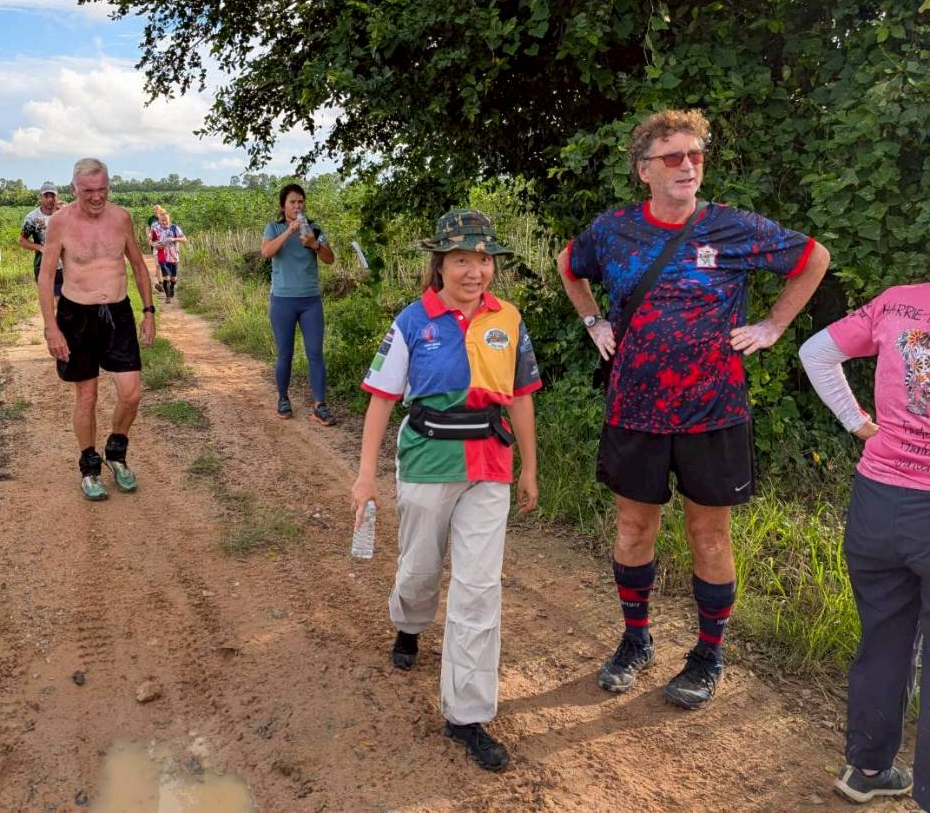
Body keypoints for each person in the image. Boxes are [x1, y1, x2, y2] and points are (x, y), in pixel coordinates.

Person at [556, 108, 829, 709]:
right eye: (674, 156)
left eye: (696, 154)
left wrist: (772, 325)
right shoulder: (613, 230)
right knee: (634, 529)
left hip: (714, 411)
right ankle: (635, 641)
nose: (688, 165)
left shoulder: (734, 227)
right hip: (634, 409)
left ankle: (707, 655)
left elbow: (813, 258)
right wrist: (593, 321)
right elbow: (568, 265)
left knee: (709, 536)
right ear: (644, 170)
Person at [351, 209, 540, 772]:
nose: (474, 271)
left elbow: (522, 396)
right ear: (440, 264)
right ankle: (409, 625)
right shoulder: (414, 321)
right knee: (419, 569)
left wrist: (530, 467)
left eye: (483, 259)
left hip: (490, 464)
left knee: (479, 589)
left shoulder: (509, 318)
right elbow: (381, 399)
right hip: (428, 462)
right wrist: (365, 476)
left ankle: (467, 715)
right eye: (461, 259)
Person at [799, 283, 929, 806]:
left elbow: (816, 352)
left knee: (884, 639)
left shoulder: (896, 302)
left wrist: (858, 424)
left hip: (878, 504)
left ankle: (869, 768)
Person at [38, 159, 156, 502]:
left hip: (117, 313)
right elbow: (46, 276)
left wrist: (149, 311)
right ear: (74, 188)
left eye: (102, 189)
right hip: (76, 316)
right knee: (87, 396)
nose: (96, 197)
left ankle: (116, 453)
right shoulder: (60, 222)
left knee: (131, 393)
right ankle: (89, 467)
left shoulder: (121, 218)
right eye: (88, 190)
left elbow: (138, 265)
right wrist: (51, 328)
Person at [260, 183, 336, 425]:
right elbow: (266, 252)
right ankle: (283, 398)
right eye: (292, 202)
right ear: (283, 206)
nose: (297, 206)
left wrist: (315, 244)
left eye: (300, 201)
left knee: (315, 353)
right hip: (283, 301)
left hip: (310, 300)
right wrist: (289, 231)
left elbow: (330, 259)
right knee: (285, 353)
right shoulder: (273, 228)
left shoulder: (314, 228)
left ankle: (320, 406)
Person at [19, 182, 64, 300]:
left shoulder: (63, 214)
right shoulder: (32, 218)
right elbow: (22, 241)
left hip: (64, 267)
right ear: (40, 197)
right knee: (50, 301)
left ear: (57, 197)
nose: (50, 199)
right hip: (44, 266)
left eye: (52, 196)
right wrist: (40, 248)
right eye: (46, 196)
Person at [149, 211, 187, 303]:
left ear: (169, 220)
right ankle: (168, 296)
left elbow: (184, 239)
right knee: (166, 277)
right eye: (162, 220)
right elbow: (150, 241)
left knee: (174, 278)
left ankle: (172, 287)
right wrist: (155, 245)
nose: (164, 222)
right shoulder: (156, 229)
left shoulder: (175, 228)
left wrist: (174, 239)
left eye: (166, 220)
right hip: (162, 256)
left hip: (174, 256)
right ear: (159, 220)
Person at [146, 203, 166, 292]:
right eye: (155, 208)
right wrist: (149, 238)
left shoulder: (165, 218)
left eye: (158, 208)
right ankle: (161, 283)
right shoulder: (151, 219)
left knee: (164, 264)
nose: (156, 210)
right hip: (155, 244)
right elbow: (148, 228)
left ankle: (166, 281)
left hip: (165, 246)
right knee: (158, 264)